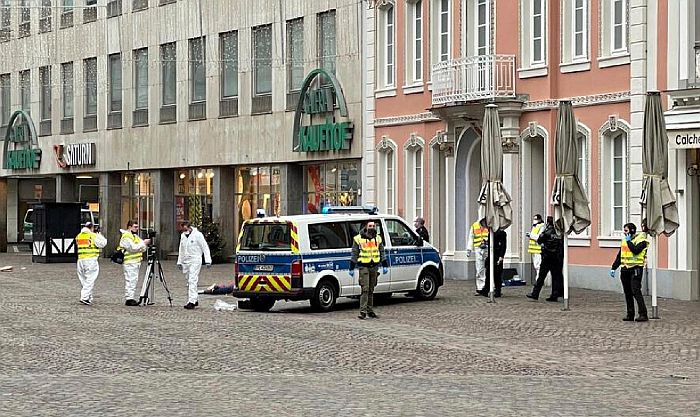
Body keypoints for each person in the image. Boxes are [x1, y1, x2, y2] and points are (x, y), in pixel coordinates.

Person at [609, 222, 649, 322]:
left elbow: (635, 250)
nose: (624, 233)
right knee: (627, 292)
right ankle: (630, 314)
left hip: (636, 269)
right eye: (624, 231)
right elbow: (619, 256)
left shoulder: (642, 240)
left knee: (636, 291)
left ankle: (643, 314)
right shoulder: (624, 241)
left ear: (632, 231)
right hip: (625, 269)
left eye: (626, 231)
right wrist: (613, 267)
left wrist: (629, 242)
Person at [349, 220, 389, 320]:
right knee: (365, 289)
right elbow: (354, 253)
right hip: (364, 266)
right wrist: (351, 267)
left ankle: (370, 310)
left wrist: (385, 265)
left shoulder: (378, 238)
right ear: (366, 227)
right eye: (370, 225)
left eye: (373, 226)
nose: (372, 227)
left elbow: (381, 251)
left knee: (371, 289)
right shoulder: (358, 239)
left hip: (374, 266)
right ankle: (362, 312)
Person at [526, 216, 564, 302]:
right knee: (556, 276)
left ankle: (535, 293)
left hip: (547, 257)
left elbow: (540, 240)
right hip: (557, 258)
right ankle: (555, 295)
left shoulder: (547, 231)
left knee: (541, 276)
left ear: (548, 223)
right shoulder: (559, 233)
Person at [177, 221, 212, 309]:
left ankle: (191, 301)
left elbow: (205, 247)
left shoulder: (198, 235)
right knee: (189, 280)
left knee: (193, 279)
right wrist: (179, 261)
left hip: (195, 259)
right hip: (186, 261)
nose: (183, 231)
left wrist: (208, 260)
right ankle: (195, 299)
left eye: (184, 228)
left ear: (188, 226)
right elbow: (181, 249)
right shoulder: (183, 236)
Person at [119, 220, 150, 306]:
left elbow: (143, 248)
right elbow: (133, 248)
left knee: (134, 280)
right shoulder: (126, 237)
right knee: (130, 280)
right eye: (135, 227)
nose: (137, 229)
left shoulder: (135, 236)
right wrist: (143, 243)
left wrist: (142, 245)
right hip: (129, 262)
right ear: (129, 227)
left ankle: (130, 297)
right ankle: (129, 298)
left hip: (136, 261)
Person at [75, 222, 107, 305]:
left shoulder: (79, 236)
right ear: (92, 228)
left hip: (81, 260)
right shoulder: (93, 236)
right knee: (90, 279)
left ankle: (88, 297)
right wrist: (98, 234)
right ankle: (84, 297)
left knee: (84, 280)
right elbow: (103, 243)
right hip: (90, 259)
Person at [477, 228, 507, 297]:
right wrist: (486, 242)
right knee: (488, 273)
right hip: (491, 255)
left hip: (497, 255)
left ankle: (498, 290)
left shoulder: (502, 233)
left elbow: (503, 245)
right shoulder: (490, 233)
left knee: (497, 274)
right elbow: (491, 243)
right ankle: (486, 289)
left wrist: (501, 256)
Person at [466, 219, 489, 294]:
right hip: (478, 248)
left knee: (488, 268)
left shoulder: (489, 224)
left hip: (487, 248)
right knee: (479, 269)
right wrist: (469, 249)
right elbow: (471, 237)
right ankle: (480, 287)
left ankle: (488, 286)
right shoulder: (474, 225)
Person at [526, 214, 544, 284]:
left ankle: (538, 281)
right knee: (536, 266)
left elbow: (539, 237)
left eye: (536, 219)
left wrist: (530, 235)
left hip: (538, 249)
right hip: (534, 249)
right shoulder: (535, 226)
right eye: (534, 219)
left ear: (539, 219)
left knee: (538, 266)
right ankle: (538, 280)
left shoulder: (541, 226)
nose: (534, 220)